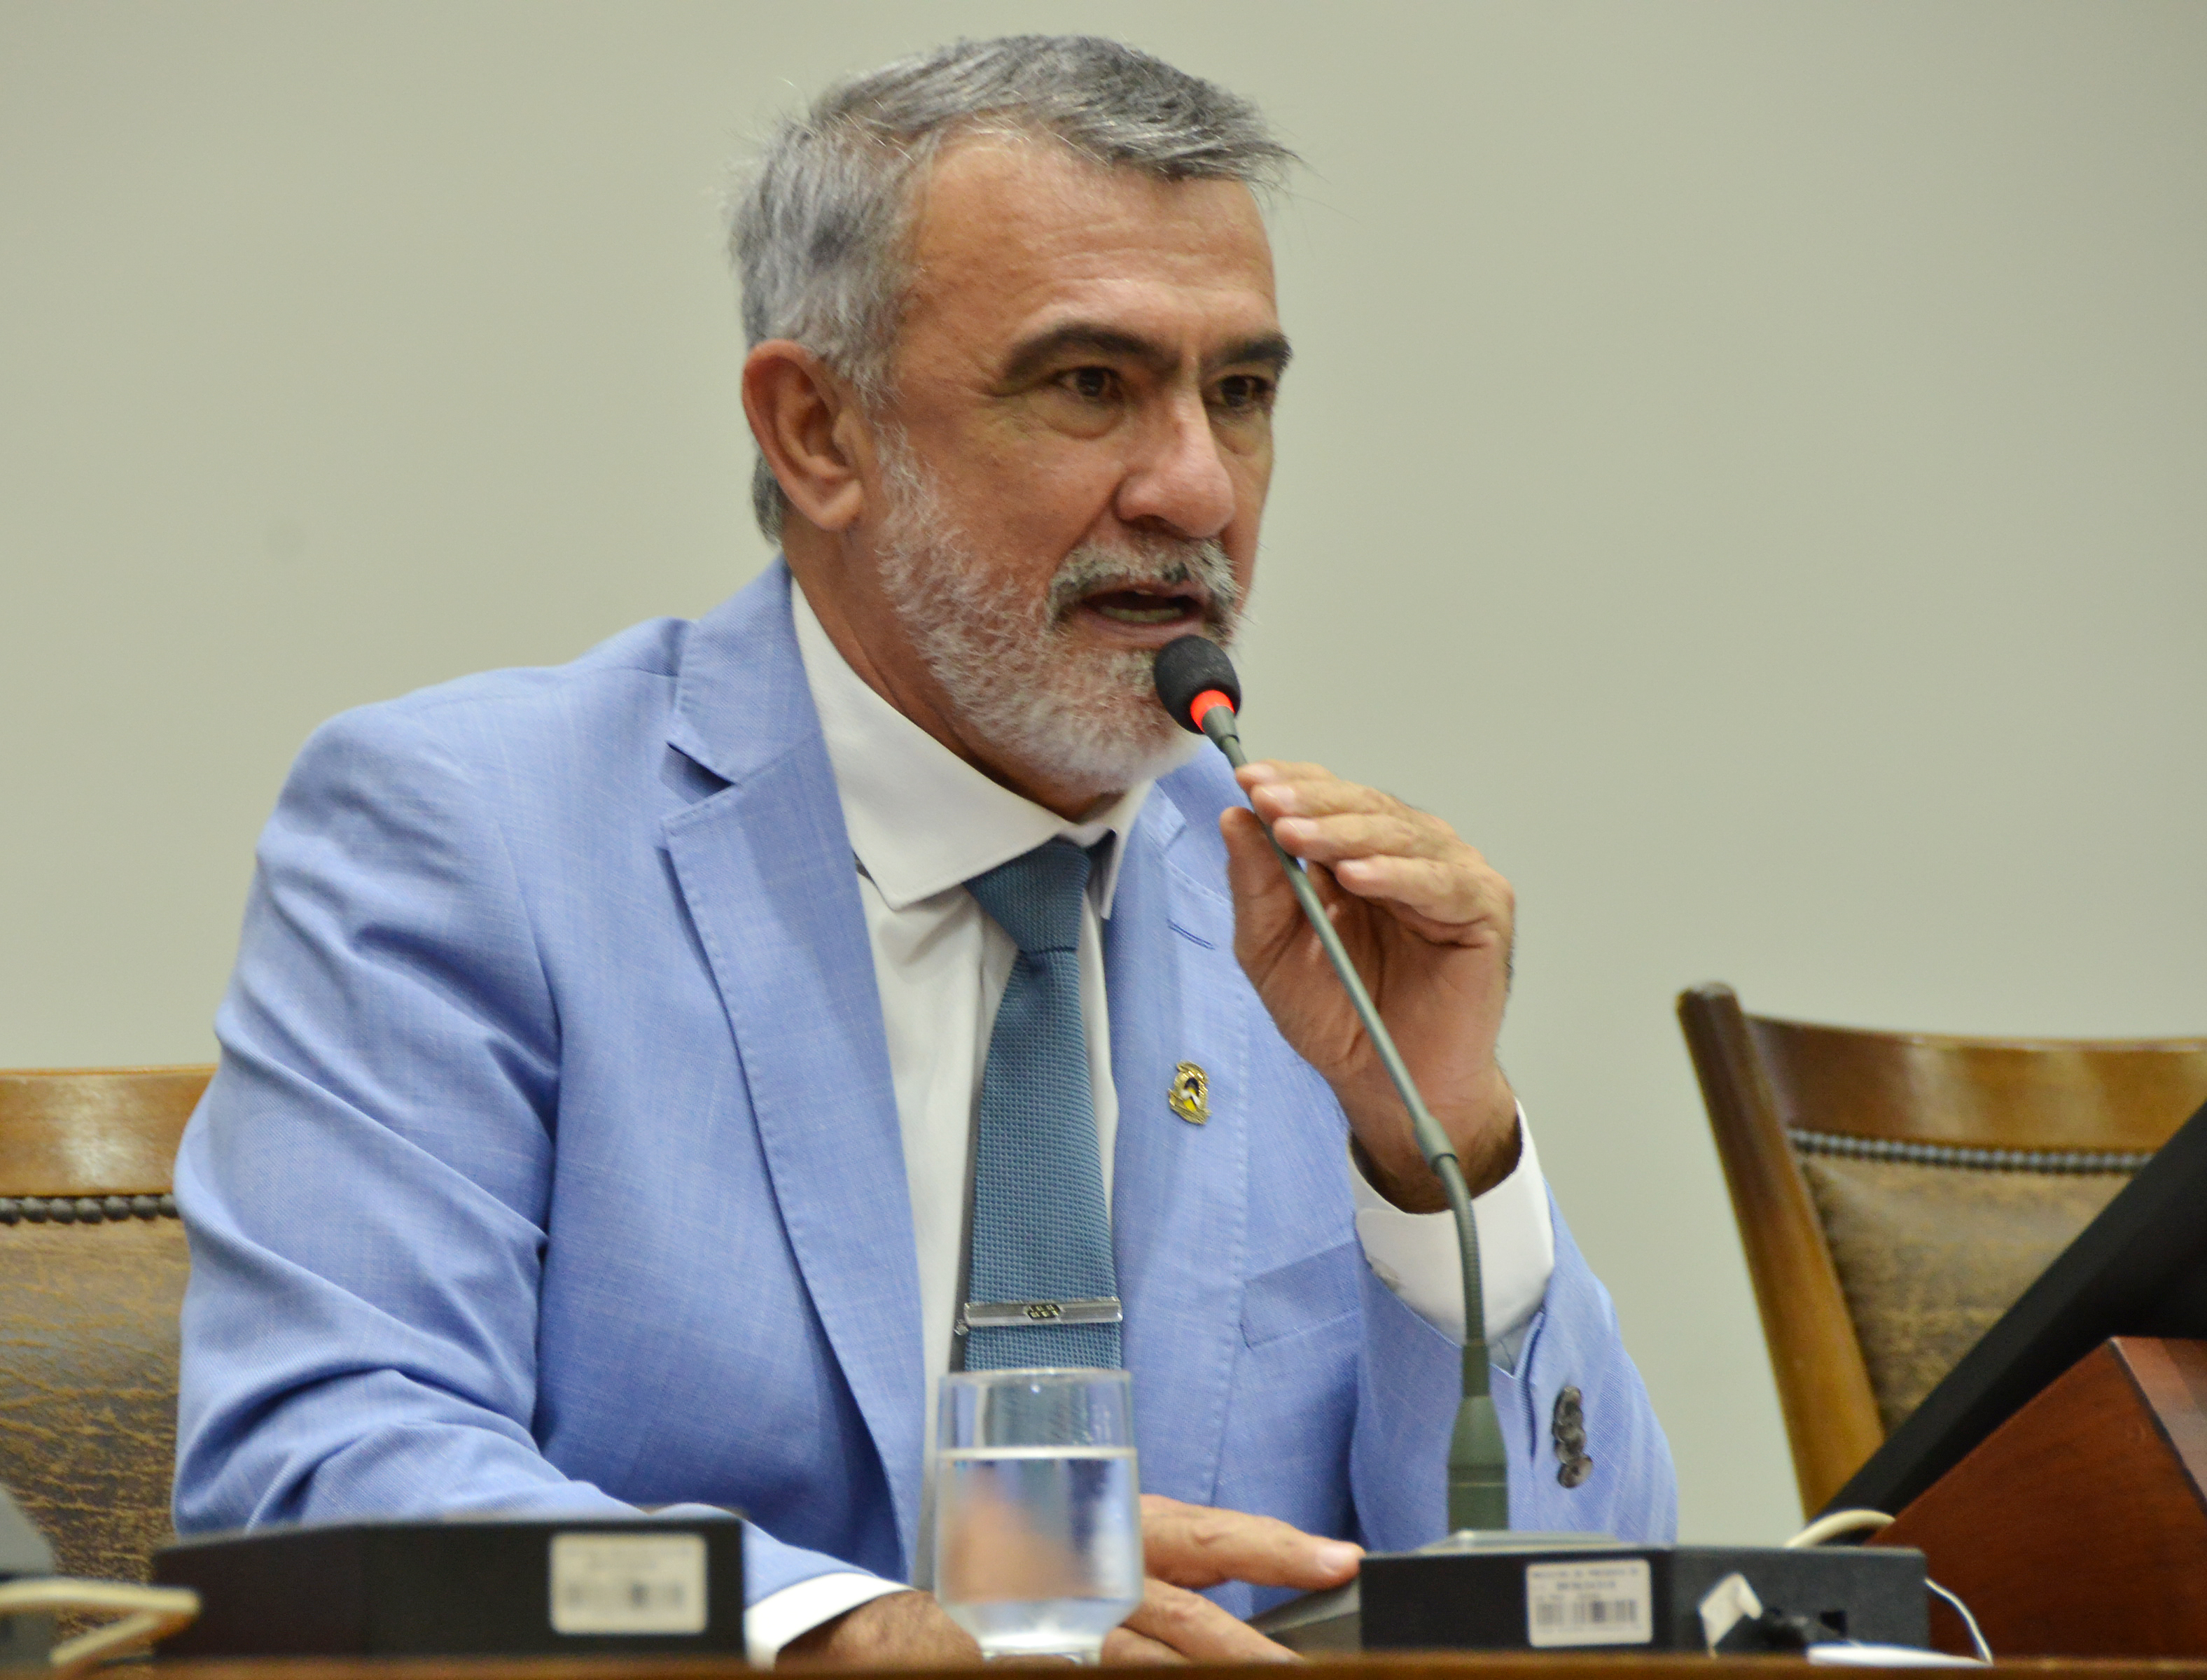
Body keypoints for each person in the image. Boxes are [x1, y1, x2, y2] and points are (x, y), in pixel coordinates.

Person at [172, 36, 1675, 1665]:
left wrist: (1439, 1148)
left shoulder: (1302, 916)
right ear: (819, 431)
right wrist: (845, 1632)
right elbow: (316, 1478)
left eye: (1239, 395)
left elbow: (1592, 1604)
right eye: (1089, 383)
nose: (1195, 489)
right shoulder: (477, 835)